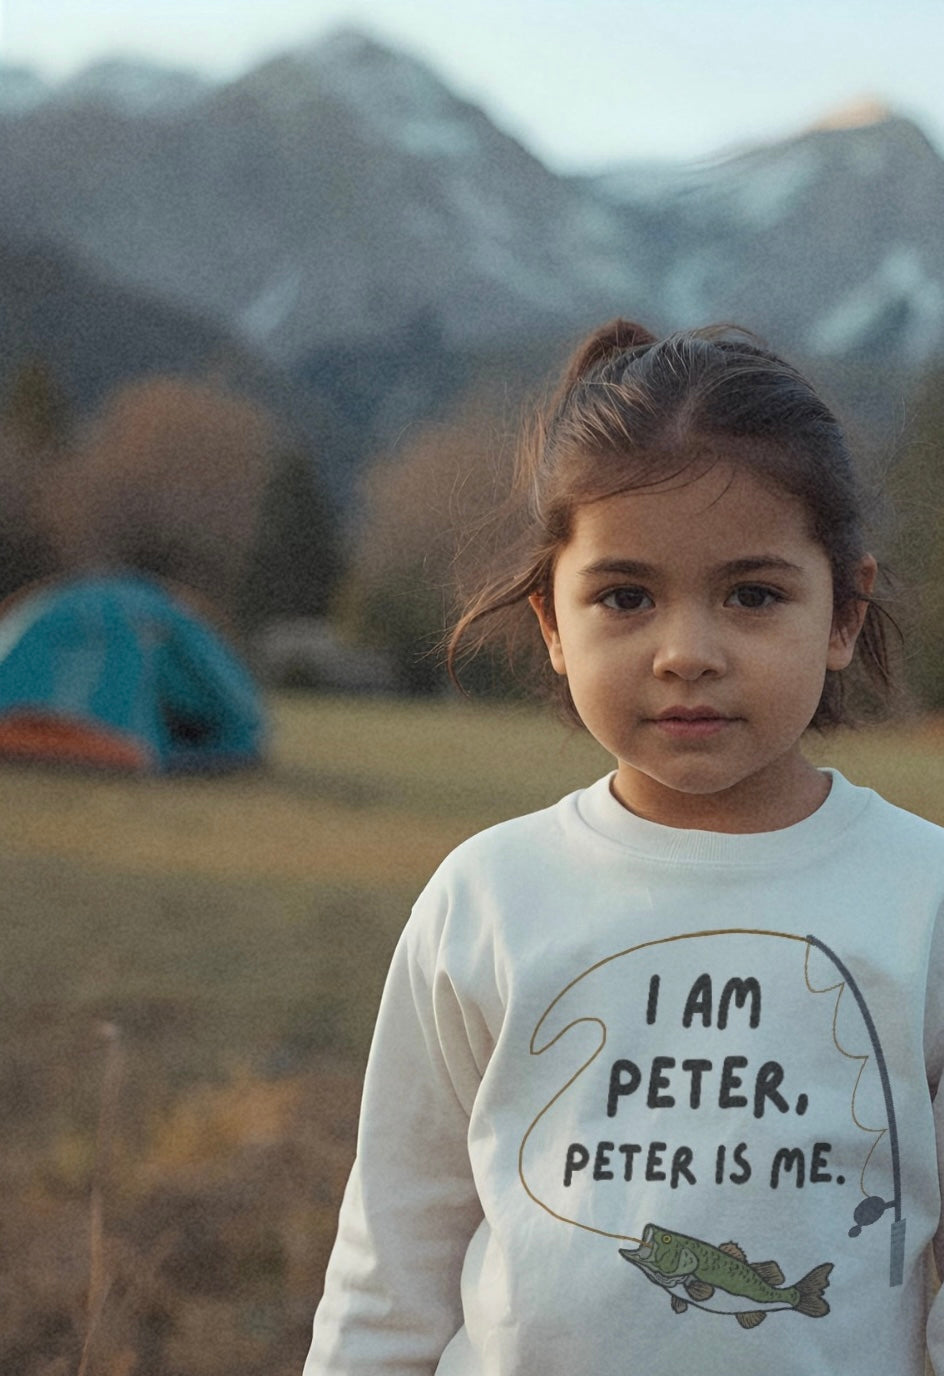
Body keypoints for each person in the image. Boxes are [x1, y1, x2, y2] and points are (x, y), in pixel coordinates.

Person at [304, 320, 944, 1375]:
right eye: (624, 596)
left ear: (842, 610)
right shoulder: (486, 896)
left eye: (751, 593)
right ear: (551, 620)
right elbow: (392, 1260)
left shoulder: (920, 896)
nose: (684, 652)